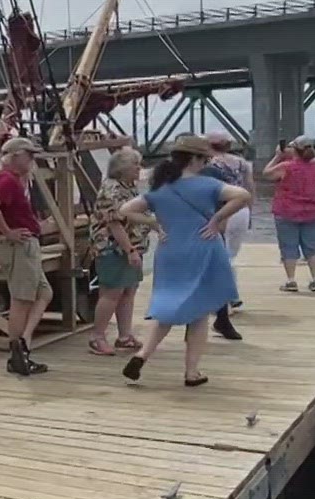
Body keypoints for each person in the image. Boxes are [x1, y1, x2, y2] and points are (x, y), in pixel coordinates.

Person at [117, 134, 251, 386]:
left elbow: (125, 210)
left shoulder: (160, 190)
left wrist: (154, 223)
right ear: (195, 159)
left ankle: (143, 354)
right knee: (200, 312)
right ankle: (191, 372)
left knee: (169, 305)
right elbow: (243, 195)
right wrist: (216, 219)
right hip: (203, 248)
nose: (205, 164)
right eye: (204, 159)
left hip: (170, 252)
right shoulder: (208, 185)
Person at [0, 137, 55, 376]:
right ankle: (17, 353)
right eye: (29, 155)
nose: (33, 160)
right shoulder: (6, 179)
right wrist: (8, 232)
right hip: (18, 247)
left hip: (26, 245)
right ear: (15, 156)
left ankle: (23, 341)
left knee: (44, 292)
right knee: (21, 299)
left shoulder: (14, 180)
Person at [86, 147, 151, 356]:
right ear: (122, 168)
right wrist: (130, 250)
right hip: (113, 249)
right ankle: (97, 336)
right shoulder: (112, 189)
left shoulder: (128, 187)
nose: (139, 169)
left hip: (131, 248)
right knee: (111, 292)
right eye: (135, 164)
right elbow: (115, 224)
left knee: (128, 291)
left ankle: (124, 336)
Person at [263, 135, 315, 293]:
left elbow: (266, 174)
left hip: (287, 210)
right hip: (314, 210)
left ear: (295, 150)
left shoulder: (286, 166)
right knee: (314, 247)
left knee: (288, 246)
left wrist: (278, 155)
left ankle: (291, 280)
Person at [202, 131, 253, 309]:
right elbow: (249, 188)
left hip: (220, 211)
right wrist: (250, 212)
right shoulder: (241, 162)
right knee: (230, 254)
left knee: (219, 254)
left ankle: (228, 294)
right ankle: (230, 294)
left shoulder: (208, 163)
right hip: (241, 209)